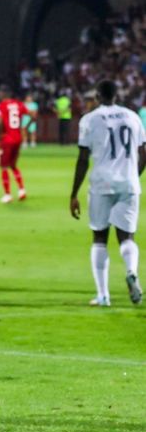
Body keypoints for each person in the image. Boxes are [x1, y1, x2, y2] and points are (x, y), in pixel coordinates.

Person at [70, 79, 145, 306]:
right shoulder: (133, 117)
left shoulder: (89, 120)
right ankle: (131, 272)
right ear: (117, 95)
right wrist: (134, 174)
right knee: (126, 237)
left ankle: (103, 296)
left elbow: (83, 159)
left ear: (97, 96)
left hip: (102, 184)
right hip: (129, 183)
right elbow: (144, 151)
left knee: (100, 237)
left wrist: (74, 193)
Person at [0, 84, 29, 203]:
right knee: (13, 165)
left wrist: (1, 134)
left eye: (0, 92)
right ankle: (21, 190)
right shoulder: (19, 104)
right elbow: (32, 115)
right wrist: (25, 127)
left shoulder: (1, 105)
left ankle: (7, 194)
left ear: (3, 94)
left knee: (4, 166)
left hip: (7, 139)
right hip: (18, 138)